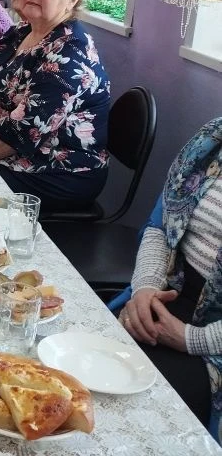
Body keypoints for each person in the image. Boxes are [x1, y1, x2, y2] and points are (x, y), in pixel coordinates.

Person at [0, 0, 111, 214]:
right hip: (6, 150)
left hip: (57, 170)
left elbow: (21, 134)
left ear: (72, 0)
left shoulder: (69, 53)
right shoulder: (19, 32)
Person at [115, 118, 222, 441]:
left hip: (212, 341)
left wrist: (192, 339)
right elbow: (160, 227)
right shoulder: (211, 141)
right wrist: (145, 288)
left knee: (139, 418)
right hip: (170, 298)